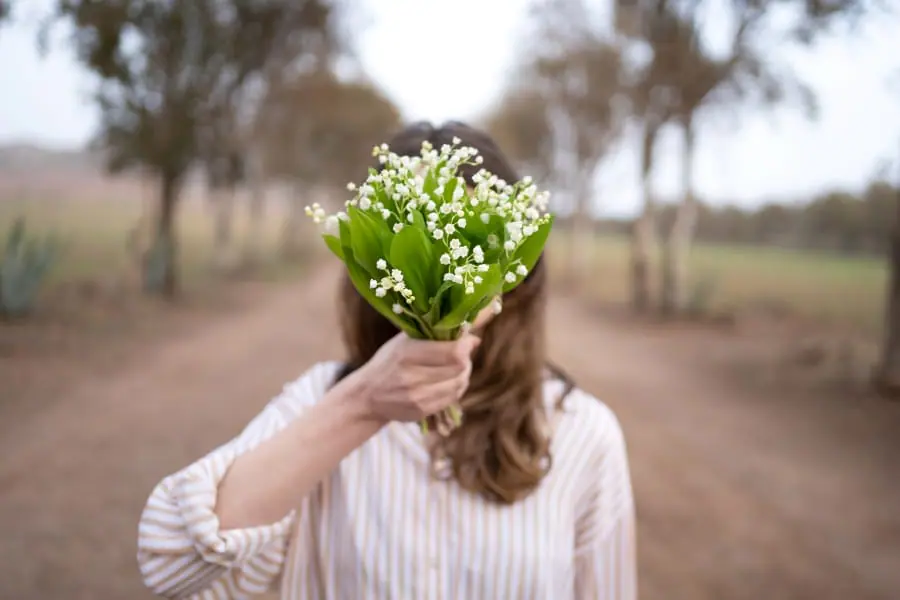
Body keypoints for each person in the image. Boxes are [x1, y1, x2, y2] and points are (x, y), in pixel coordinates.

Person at [136, 121, 637, 600]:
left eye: (470, 242)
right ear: (378, 264)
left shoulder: (581, 432)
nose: (448, 268)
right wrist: (362, 406)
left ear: (515, 265)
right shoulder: (323, 400)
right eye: (424, 242)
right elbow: (171, 561)